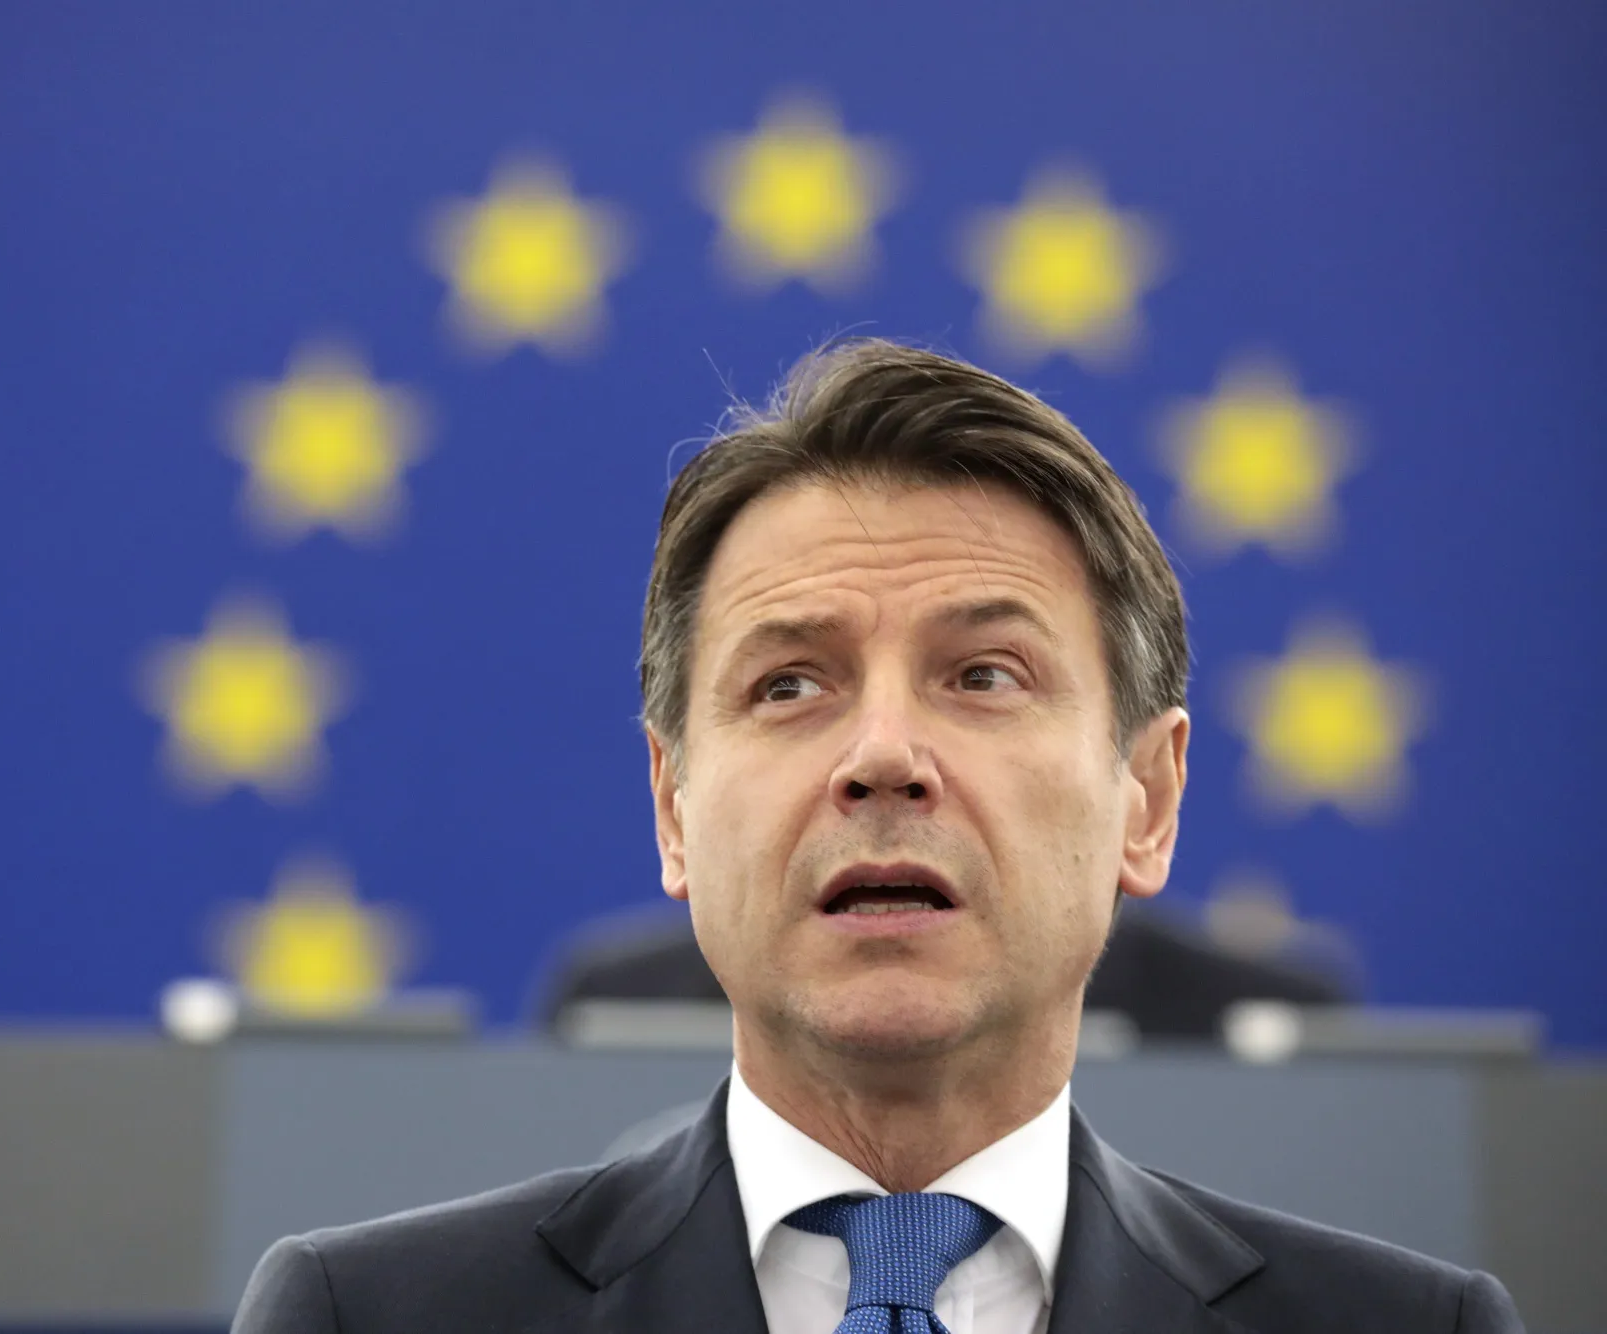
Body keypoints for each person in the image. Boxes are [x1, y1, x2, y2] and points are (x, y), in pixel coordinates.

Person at [232, 340, 1522, 1334]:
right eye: (790, 684)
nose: (884, 756)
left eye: (984, 675)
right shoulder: (364, 1318)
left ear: (1148, 797)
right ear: (673, 809)